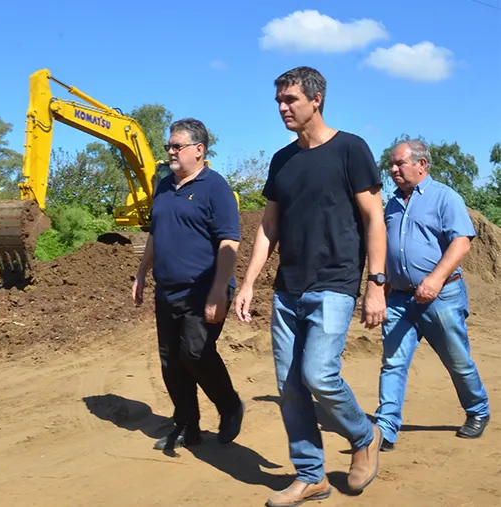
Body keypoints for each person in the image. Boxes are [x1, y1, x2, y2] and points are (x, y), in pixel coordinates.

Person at [234, 66, 387, 506]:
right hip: (288, 287)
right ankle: (311, 475)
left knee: (319, 374)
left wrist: (375, 283)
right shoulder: (283, 159)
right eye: (279, 101)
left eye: (291, 101)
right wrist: (248, 284)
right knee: (290, 386)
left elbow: (374, 217)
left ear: (316, 100)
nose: (283, 108)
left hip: (335, 282)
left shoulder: (350, 149)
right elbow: (269, 225)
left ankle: (363, 435)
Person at [132, 118, 245, 451]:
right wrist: (141, 272)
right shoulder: (164, 186)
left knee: (195, 353)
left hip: (203, 289)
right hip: (166, 290)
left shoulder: (216, 187)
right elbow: (156, 233)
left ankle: (229, 406)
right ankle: (187, 425)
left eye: (177, 146)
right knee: (170, 361)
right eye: (169, 145)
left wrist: (218, 291)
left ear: (199, 150)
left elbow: (229, 242)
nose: (170, 151)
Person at [375, 140, 491, 451]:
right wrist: (381, 291)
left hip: (441, 297)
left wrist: (435, 280)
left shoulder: (445, 198)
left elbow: (461, 243)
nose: (393, 170)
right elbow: (387, 252)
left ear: (422, 165)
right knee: (393, 362)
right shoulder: (392, 204)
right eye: (392, 164)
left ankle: (478, 410)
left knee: (457, 361)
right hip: (399, 299)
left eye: (400, 163)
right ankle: (386, 427)